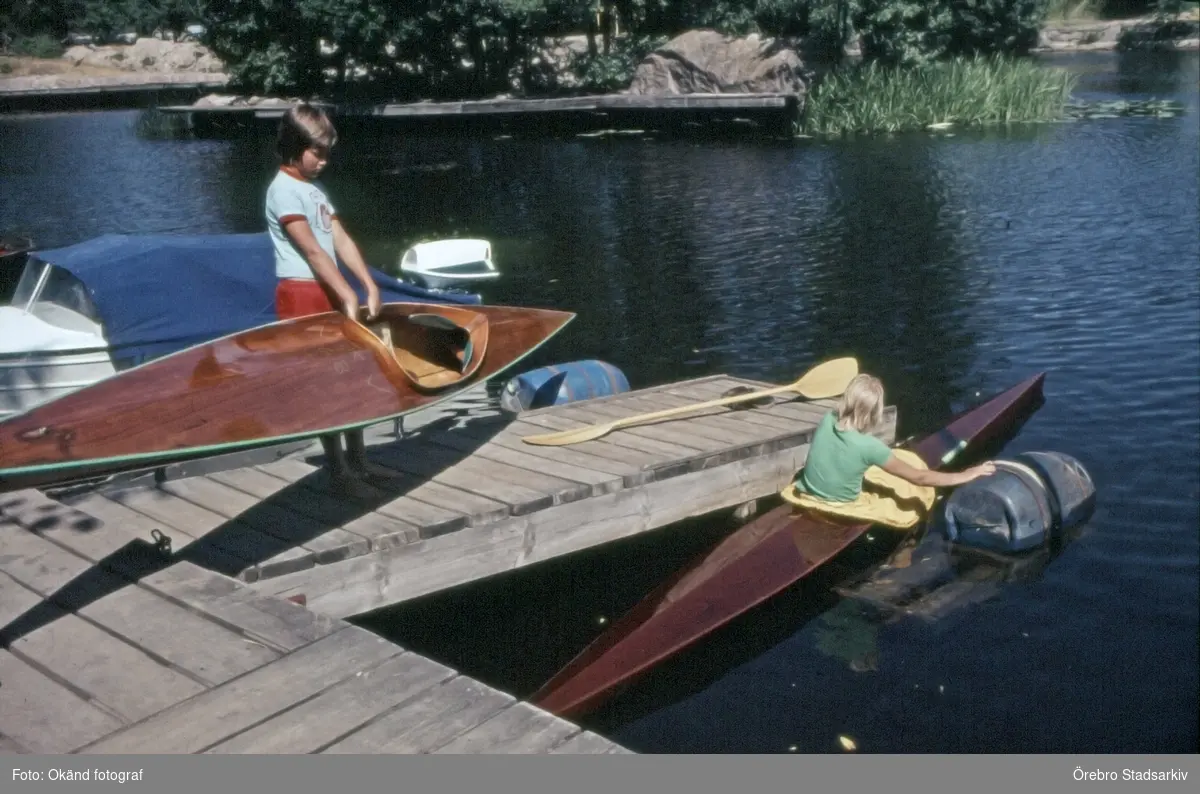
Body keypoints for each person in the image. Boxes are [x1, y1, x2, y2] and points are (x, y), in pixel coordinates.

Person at [265, 103, 393, 496]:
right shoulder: (282, 190)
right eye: (316, 152)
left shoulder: (314, 189)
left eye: (326, 154)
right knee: (324, 386)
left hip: (332, 288)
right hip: (303, 292)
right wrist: (345, 293)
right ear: (294, 145)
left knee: (353, 377)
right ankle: (339, 472)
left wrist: (367, 285)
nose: (322, 161)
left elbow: (338, 240)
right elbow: (313, 253)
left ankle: (359, 460)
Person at [793, 373, 996, 505]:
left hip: (808, 493)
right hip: (840, 504)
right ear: (875, 409)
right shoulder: (871, 447)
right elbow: (920, 478)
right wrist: (967, 474)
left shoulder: (828, 419)